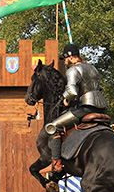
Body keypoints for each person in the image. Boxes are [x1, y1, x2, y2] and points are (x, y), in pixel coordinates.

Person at [44, 44, 108, 175]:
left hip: (86, 107)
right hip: (101, 106)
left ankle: (56, 164)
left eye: (66, 59)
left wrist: (64, 98)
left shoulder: (72, 70)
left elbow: (72, 92)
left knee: (53, 126)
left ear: (71, 57)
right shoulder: (93, 68)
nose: (65, 61)